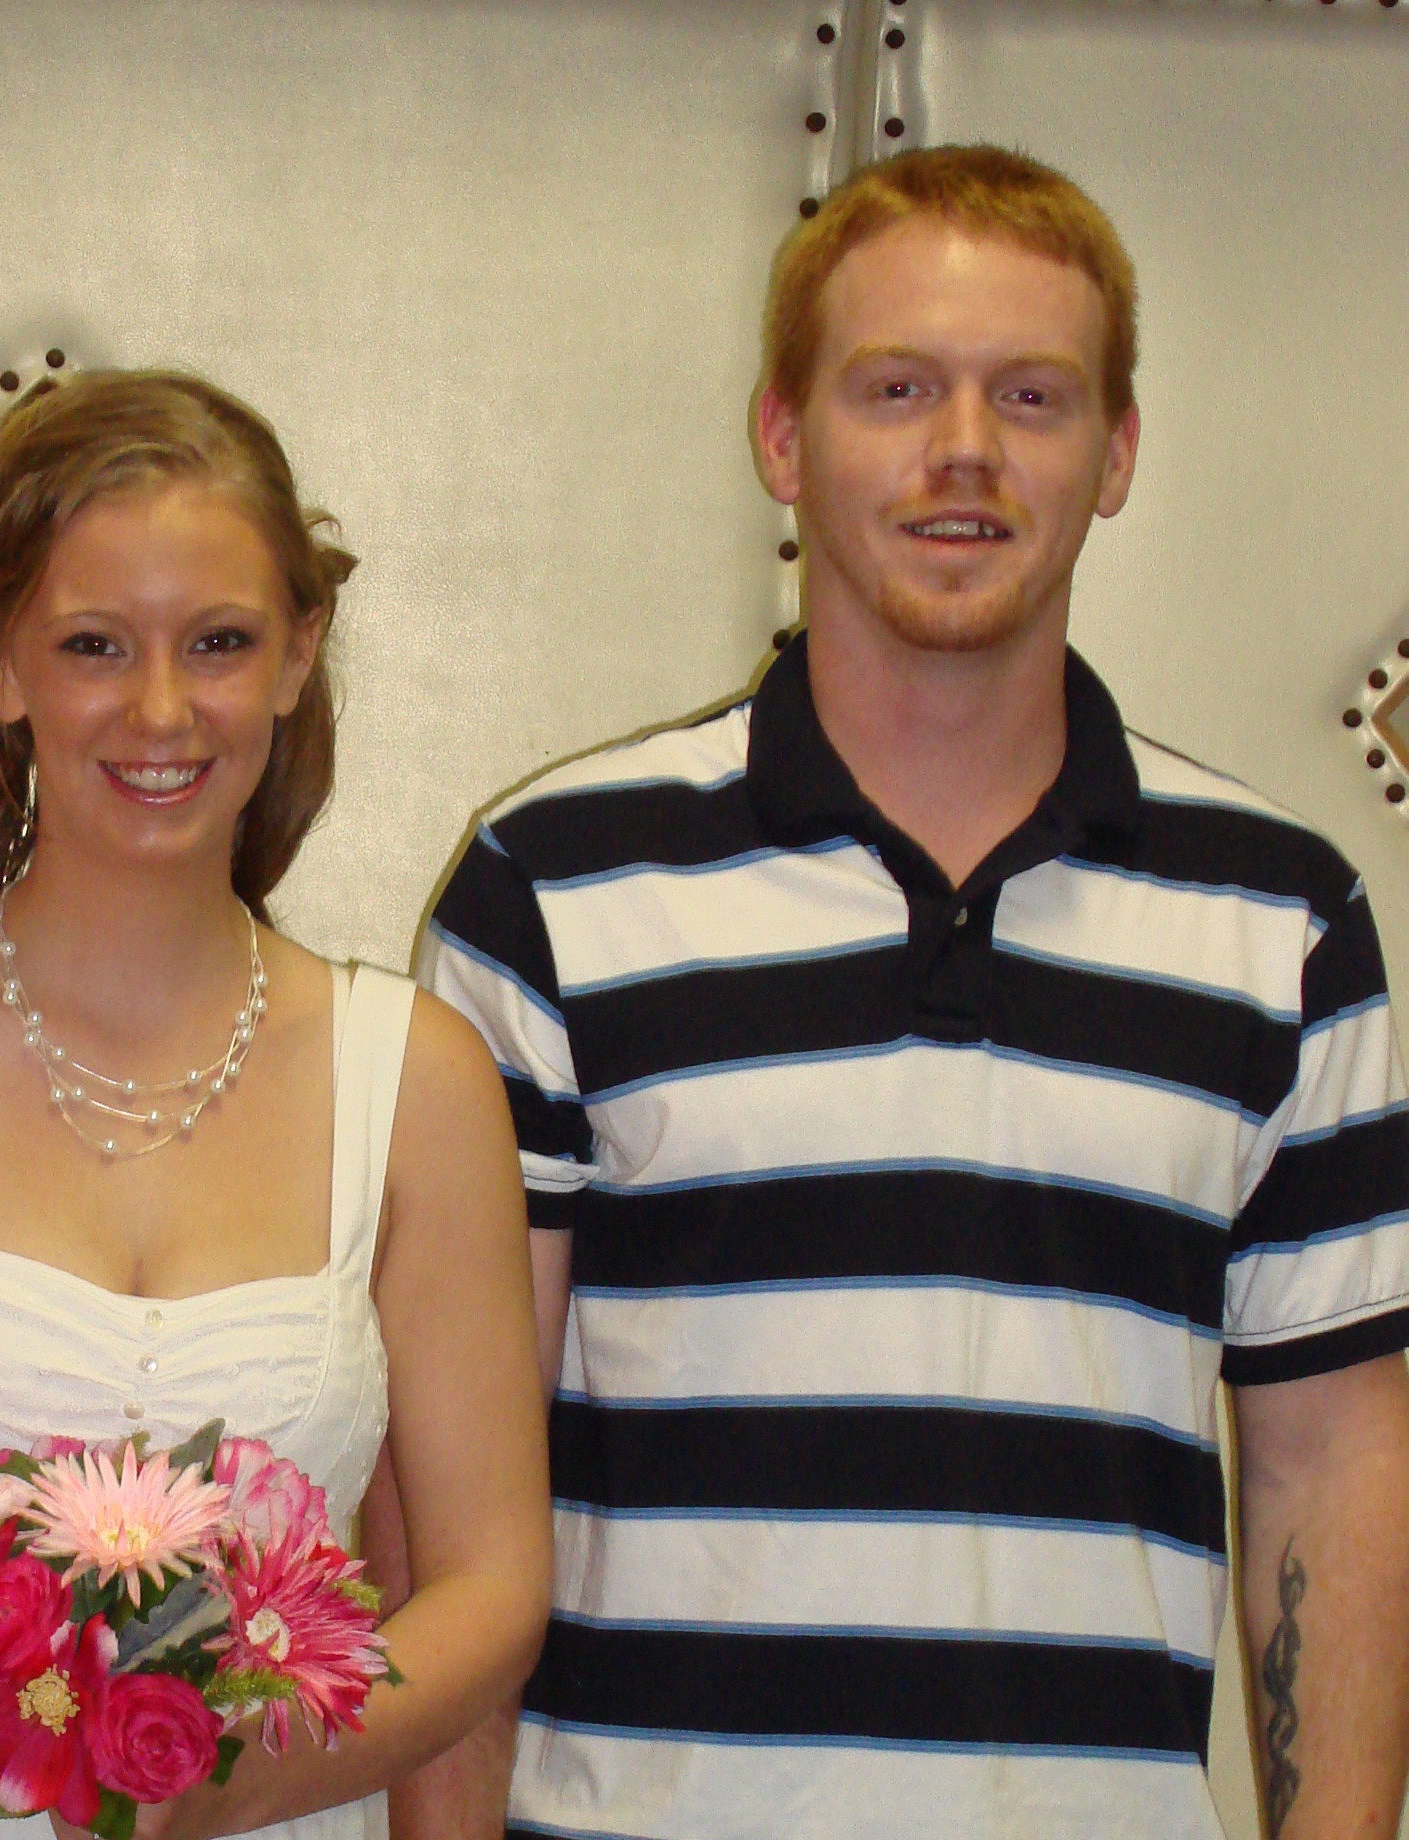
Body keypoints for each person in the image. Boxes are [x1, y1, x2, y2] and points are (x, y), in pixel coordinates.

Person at [408, 145, 1409, 1838]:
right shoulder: (551, 891)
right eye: (895, 389)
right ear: (780, 439)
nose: (963, 450)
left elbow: (1330, 1466)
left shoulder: (1281, 917)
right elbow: (448, 1498)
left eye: (1031, 395)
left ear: (1116, 452)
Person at [0, 370, 551, 1837]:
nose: (161, 709)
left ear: (298, 655)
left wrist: (228, 1777)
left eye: (219, 643)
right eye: (93, 645)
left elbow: (490, 1586)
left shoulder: (417, 1082)